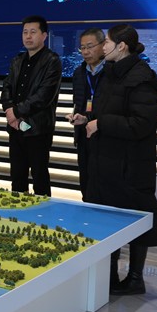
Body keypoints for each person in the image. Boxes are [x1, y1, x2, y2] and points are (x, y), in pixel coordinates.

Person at [83, 25, 157, 295]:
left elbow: (142, 123)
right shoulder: (111, 73)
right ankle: (109, 275)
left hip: (130, 166)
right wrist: (89, 119)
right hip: (107, 162)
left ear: (122, 46)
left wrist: (101, 123)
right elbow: (107, 110)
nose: (102, 46)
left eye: (106, 42)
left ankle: (135, 278)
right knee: (107, 219)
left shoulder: (141, 77)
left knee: (135, 219)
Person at [0, 15, 62, 196]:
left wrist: (16, 112)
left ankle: (43, 211)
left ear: (44, 35)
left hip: (37, 127)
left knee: (39, 177)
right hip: (15, 127)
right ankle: (18, 210)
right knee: (17, 176)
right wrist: (9, 110)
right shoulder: (17, 60)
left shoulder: (52, 60)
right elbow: (7, 87)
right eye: (25, 32)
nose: (28, 36)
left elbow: (44, 96)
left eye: (33, 32)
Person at [65, 27, 106, 200]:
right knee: (86, 182)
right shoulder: (79, 72)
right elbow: (79, 101)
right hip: (83, 134)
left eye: (90, 46)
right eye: (82, 48)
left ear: (103, 45)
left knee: (104, 185)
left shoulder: (112, 71)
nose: (86, 52)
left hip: (105, 134)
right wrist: (75, 116)